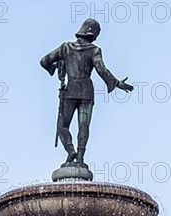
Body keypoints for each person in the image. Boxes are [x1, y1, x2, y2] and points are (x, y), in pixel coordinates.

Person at [40, 18, 134, 167]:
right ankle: (80, 158)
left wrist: (57, 66)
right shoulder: (94, 50)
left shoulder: (65, 48)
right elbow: (101, 70)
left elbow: (44, 61)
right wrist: (116, 83)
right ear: (92, 34)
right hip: (86, 91)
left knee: (62, 126)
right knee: (84, 126)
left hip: (70, 90)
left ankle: (70, 150)